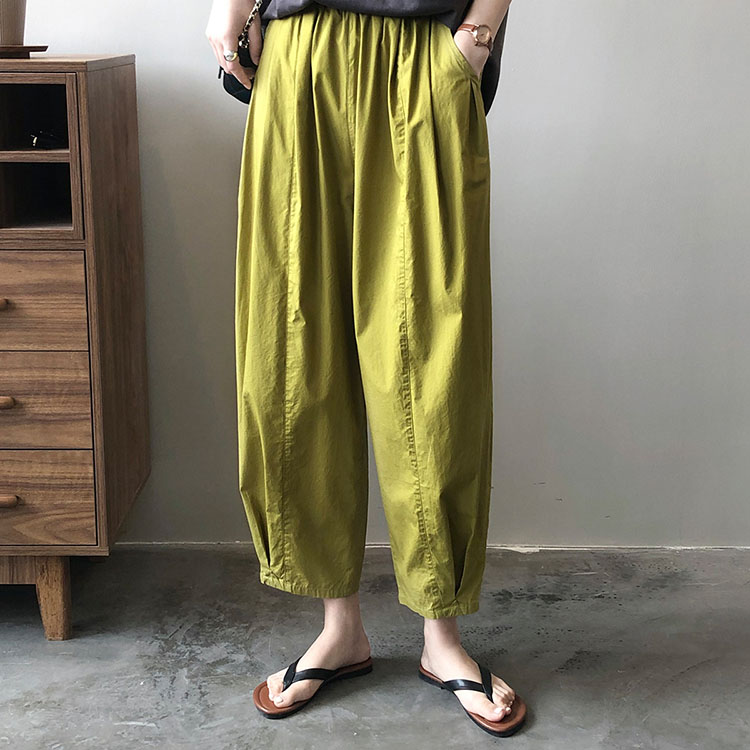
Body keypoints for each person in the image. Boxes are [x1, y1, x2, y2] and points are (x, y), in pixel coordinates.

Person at [206, 0, 526, 737]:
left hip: (424, 50)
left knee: (433, 360)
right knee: (295, 352)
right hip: (298, 54)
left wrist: (476, 36)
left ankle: (441, 637)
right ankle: (339, 629)